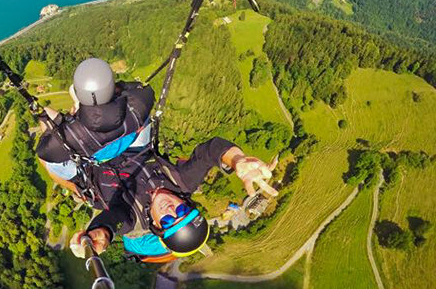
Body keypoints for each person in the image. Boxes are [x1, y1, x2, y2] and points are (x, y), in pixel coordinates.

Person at [69, 137, 278, 262]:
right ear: (188, 205)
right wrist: (237, 160)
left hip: (90, 167)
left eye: (168, 221)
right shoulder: (183, 183)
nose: (171, 210)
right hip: (132, 145)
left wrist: (100, 233)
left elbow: (113, 222)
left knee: (50, 157)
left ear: (157, 226)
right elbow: (210, 151)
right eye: (182, 212)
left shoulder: (132, 218)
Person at [36, 57, 155, 200]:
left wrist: (67, 120)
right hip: (130, 140)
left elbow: (44, 153)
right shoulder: (140, 104)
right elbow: (141, 88)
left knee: (51, 163)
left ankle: (76, 189)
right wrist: (119, 88)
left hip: (93, 154)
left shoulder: (74, 134)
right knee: (146, 120)